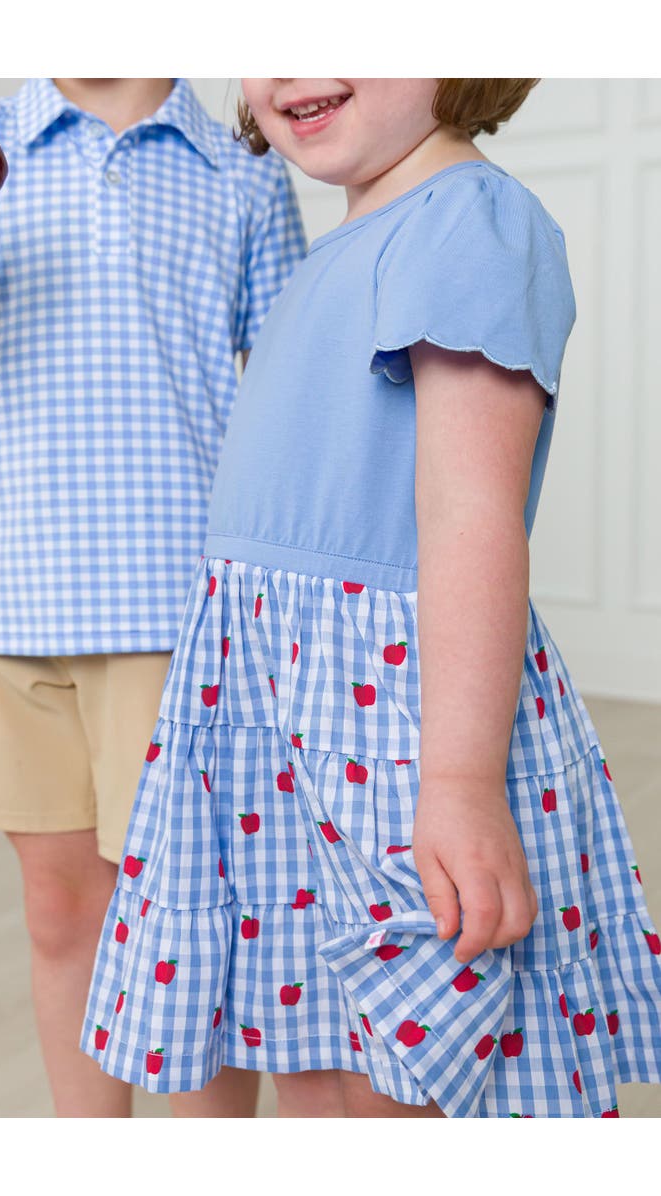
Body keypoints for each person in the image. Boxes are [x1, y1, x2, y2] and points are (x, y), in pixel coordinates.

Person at [81, 78, 661, 1118]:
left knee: (422, 1048)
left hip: (387, 713)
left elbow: (469, 510)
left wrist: (460, 778)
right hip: (271, 705)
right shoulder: (338, 241)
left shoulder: (470, 221)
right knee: (307, 1021)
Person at [0, 76, 306, 1118]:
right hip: (8, 597)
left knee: (192, 920)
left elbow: (289, 392)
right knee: (61, 910)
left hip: (178, 605)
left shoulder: (242, 170)